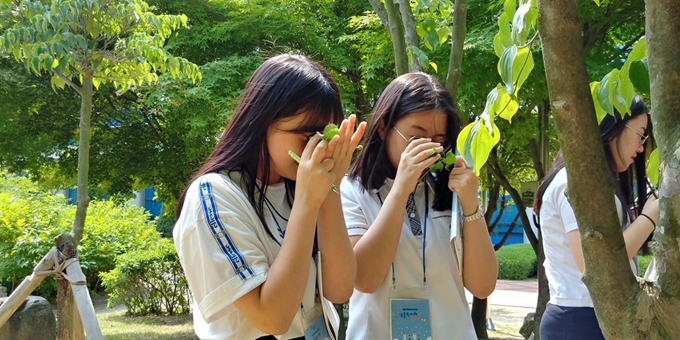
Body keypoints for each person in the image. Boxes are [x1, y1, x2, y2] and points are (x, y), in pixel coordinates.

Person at [173, 54, 366, 339]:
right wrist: (307, 202)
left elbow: (339, 289)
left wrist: (331, 188)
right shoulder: (212, 196)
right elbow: (273, 319)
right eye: (307, 136)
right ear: (262, 121)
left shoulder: (297, 185)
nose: (318, 148)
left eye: (325, 137)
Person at [340, 72, 498, 339]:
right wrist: (402, 188)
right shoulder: (352, 190)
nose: (431, 149)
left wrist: (471, 206)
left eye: (438, 139)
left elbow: (482, 286)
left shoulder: (451, 190)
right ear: (383, 128)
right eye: (417, 136)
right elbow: (364, 279)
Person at [534, 96, 658, 339]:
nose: (642, 147)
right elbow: (596, 265)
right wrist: (649, 216)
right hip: (581, 319)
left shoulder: (591, 182)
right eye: (641, 134)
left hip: (587, 316)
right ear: (613, 126)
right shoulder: (577, 182)